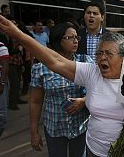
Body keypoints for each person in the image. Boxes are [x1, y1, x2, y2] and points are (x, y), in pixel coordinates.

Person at [0, 9, 124, 157]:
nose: (102, 58)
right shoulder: (92, 72)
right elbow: (55, 61)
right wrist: (17, 34)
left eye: (109, 53)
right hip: (93, 150)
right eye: (99, 53)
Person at [29, 22, 91, 157]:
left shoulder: (85, 62)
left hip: (80, 125)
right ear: (57, 40)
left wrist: (84, 101)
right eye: (69, 38)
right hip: (54, 127)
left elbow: (100, 89)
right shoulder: (41, 68)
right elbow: (35, 102)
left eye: (76, 37)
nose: (75, 41)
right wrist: (34, 132)